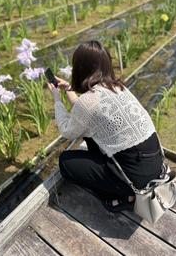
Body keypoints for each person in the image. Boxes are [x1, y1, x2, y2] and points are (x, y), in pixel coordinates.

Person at [47, 40, 163, 212]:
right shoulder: (119, 87)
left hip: (135, 179)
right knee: (90, 133)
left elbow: (67, 131)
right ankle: (124, 189)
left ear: (80, 68)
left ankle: (121, 196)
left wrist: (56, 98)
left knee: (65, 162)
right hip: (155, 165)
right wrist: (68, 89)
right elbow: (86, 111)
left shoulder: (89, 100)